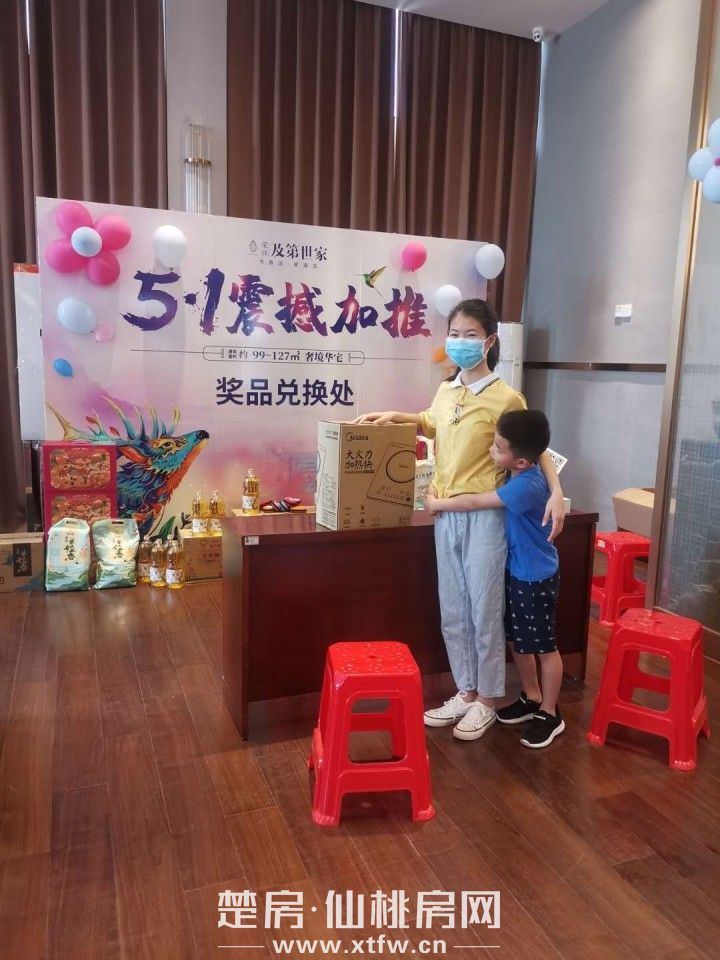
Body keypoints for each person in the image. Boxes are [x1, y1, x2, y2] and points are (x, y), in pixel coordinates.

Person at [354, 299, 565, 741]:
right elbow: (433, 422)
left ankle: (488, 697)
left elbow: (536, 448)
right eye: (454, 333)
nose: (460, 342)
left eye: (471, 335)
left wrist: (557, 492)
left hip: (485, 516)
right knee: (453, 608)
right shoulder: (447, 390)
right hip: (445, 512)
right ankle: (465, 690)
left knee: (484, 608)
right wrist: (398, 416)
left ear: (489, 342)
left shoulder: (507, 397)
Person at [425, 409, 565, 748]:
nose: (490, 451)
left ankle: (550, 712)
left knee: (544, 646)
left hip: (535, 576)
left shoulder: (526, 486)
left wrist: (436, 503)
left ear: (521, 461)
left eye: (498, 448)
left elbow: (475, 501)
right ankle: (531, 696)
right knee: (517, 639)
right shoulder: (518, 472)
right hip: (518, 572)